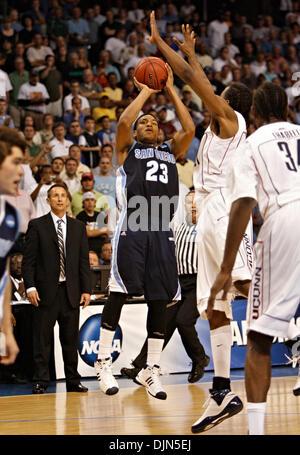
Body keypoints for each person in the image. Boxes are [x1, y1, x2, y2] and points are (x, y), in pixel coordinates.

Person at [147, 12, 253, 431]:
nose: (212, 97)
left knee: (247, 286)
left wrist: (163, 45)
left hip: (227, 212)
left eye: (219, 95)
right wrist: (188, 56)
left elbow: (197, 83)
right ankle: (222, 391)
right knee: (216, 307)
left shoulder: (231, 122)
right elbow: (197, 80)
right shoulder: (212, 129)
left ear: (229, 103)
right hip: (207, 215)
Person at [94, 63, 194, 400]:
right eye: (144, 123)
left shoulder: (170, 151)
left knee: (160, 299)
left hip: (162, 228)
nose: (148, 123)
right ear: (136, 135)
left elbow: (190, 127)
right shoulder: (128, 149)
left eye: (153, 122)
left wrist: (171, 91)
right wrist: (147, 92)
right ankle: (103, 361)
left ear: (161, 133)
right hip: (135, 223)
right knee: (120, 291)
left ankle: (150, 369)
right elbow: (124, 122)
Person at [207, 82, 300, 435]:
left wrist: (226, 268)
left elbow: (243, 204)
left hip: (286, 220)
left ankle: (257, 431)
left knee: (259, 337)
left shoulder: (252, 144)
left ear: (255, 115)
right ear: (288, 110)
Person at [121, 189, 210, 383]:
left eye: (197, 202)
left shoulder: (209, 226)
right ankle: (140, 366)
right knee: (162, 324)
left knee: (183, 321)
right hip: (177, 281)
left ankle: (200, 358)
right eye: (189, 202)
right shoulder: (176, 226)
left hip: (200, 282)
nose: (193, 205)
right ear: (184, 206)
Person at [22, 183, 91, 394]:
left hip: (70, 293)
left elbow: (83, 262)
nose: (60, 199)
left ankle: (73, 380)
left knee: (70, 341)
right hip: (44, 294)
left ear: (68, 200)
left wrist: (86, 289)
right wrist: (31, 287)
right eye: (55, 196)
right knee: (42, 340)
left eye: (63, 195)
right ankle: (41, 381)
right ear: (48, 201)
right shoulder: (37, 225)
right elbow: (28, 262)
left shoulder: (78, 227)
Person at [0, 127, 26, 367]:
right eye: (16, 162)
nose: (21, 171)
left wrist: (6, 329)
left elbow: (4, 274)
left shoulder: (10, 217)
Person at [76, 191, 109, 257]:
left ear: (95, 202)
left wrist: (93, 232)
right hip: (87, 250)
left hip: (100, 250)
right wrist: (101, 231)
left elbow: (106, 233)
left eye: (92, 200)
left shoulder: (100, 215)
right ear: (83, 203)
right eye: (87, 200)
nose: (90, 202)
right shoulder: (80, 216)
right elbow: (87, 233)